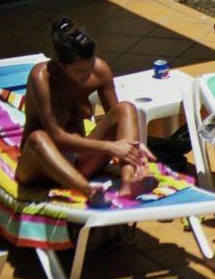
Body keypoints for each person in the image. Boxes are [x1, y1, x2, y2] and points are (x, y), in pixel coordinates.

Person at [15, 16, 156, 206]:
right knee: (37, 137)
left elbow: (118, 122)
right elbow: (56, 137)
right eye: (80, 71)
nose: (88, 74)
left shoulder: (99, 71)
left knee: (126, 108)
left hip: (80, 163)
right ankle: (89, 192)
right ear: (61, 64)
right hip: (40, 168)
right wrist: (111, 147)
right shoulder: (41, 78)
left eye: (90, 66)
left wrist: (133, 147)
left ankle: (128, 181)